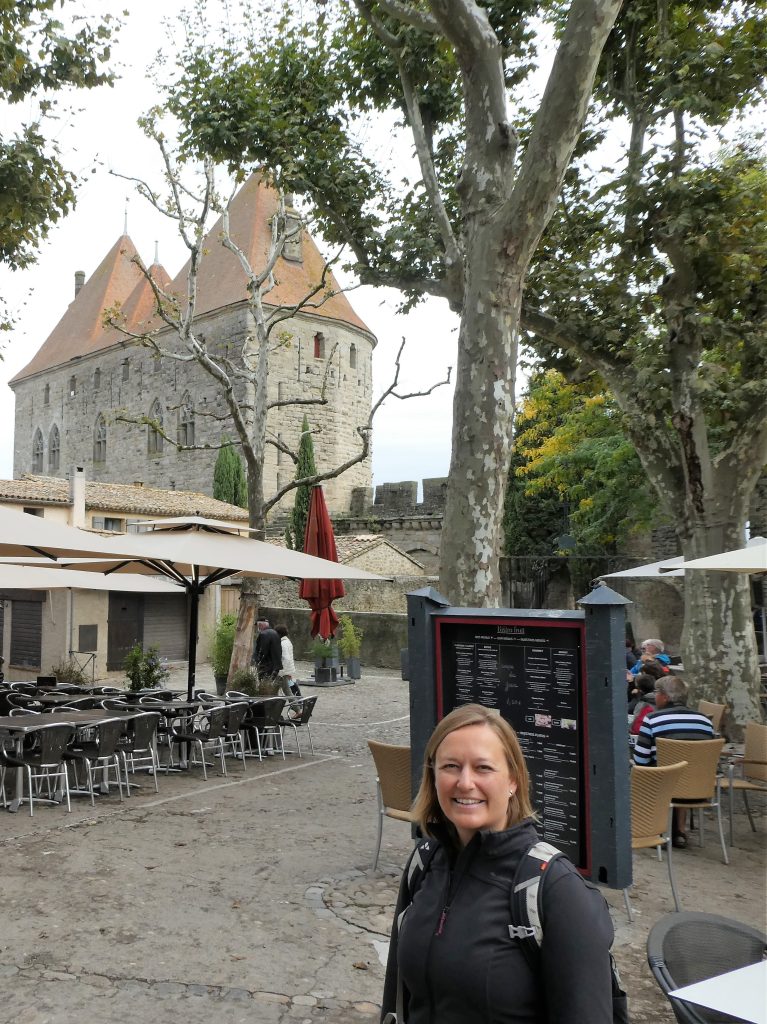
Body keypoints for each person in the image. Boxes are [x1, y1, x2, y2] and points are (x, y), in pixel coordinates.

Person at [381, 704, 615, 1024]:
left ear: (513, 780)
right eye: (450, 766)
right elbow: (397, 997)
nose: (465, 782)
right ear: (432, 776)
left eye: (483, 768)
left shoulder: (555, 889)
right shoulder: (424, 862)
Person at [633, 675, 714, 847]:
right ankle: (680, 831)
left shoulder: (653, 720)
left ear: (664, 696)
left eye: (656, 692)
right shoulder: (705, 721)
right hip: (697, 789)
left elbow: (640, 760)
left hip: (663, 788)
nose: (655, 696)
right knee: (682, 773)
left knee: (656, 773)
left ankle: (652, 829)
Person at [275, 624, 301, 703]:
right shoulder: (287, 642)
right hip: (286, 671)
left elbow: (286, 658)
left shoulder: (283, 644)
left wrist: (281, 671)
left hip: (283, 672)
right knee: (285, 690)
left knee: (286, 691)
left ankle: (297, 708)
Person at [253, 619, 282, 683]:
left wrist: (258, 662)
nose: (258, 628)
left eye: (258, 626)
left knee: (264, 685)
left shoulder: (264, 634)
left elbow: (262, 651)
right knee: (269, 685)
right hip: (275, 665)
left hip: (266, 666)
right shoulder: (274, 632)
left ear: (260, 625)